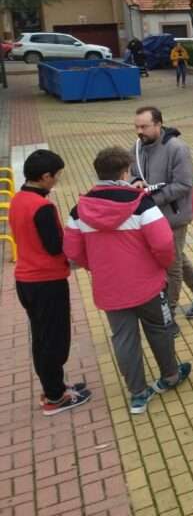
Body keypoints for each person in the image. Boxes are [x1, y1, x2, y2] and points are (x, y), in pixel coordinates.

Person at [64, 146, 190, 414]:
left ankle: (138, 394)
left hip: (109, 289)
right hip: (148, 285)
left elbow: (72, 252)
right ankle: (170, 375)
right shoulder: (142, 203)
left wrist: (95, 266)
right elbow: (164, 242)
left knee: (124, 339)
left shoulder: (78, 210)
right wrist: (162, 266)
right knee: (160, 329)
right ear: (125, 172)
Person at [10, 149, 92, 416]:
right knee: (54, 339)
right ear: (45, 177)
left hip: (26, 280)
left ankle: (53, 386)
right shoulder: (42, 207)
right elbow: (55, 246)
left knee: (41, 337)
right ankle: (56, 397)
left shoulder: (19, 199)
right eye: (56, 176)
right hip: (46, 281)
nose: (57, 180)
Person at [131, 106, 193, 325]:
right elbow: (133, 174)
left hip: (173, 218)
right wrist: (133, 183)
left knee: (170, 266)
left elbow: (184, 184)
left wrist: (152, 200)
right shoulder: (137, 147)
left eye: (144, 126)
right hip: (150, 217)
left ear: (158, 124)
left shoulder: (177, 148)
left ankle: (169, 316)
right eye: (136, 126)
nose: (139, 131)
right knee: (176, 256)